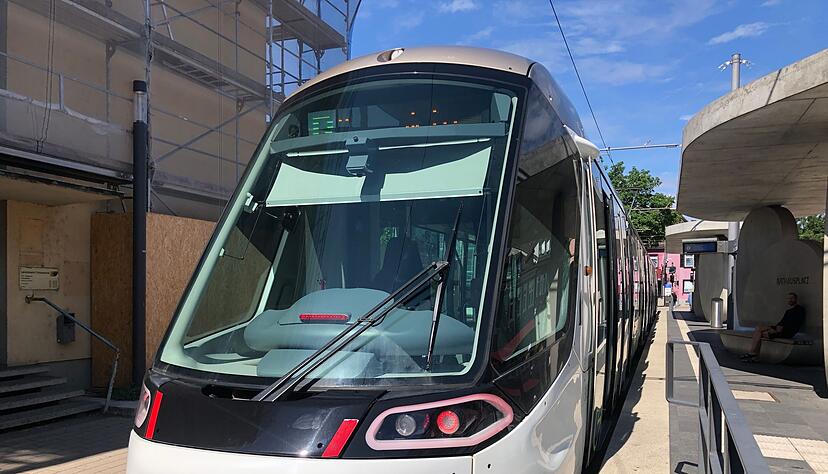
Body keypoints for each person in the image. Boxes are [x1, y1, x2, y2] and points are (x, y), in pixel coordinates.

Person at [742, 292, 805, 361]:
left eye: (791, 298)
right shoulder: (788, 311)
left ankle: (753, 354)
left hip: (786, 332)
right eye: (788, 298)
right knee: (759, 330)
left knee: (760, 332)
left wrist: (778, 329)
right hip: (779, 329)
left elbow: (794, 324)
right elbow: (781, 322)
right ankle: (753, 355)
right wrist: (775, 328)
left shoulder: (799, 310)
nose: (790, 300)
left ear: (796, 299)